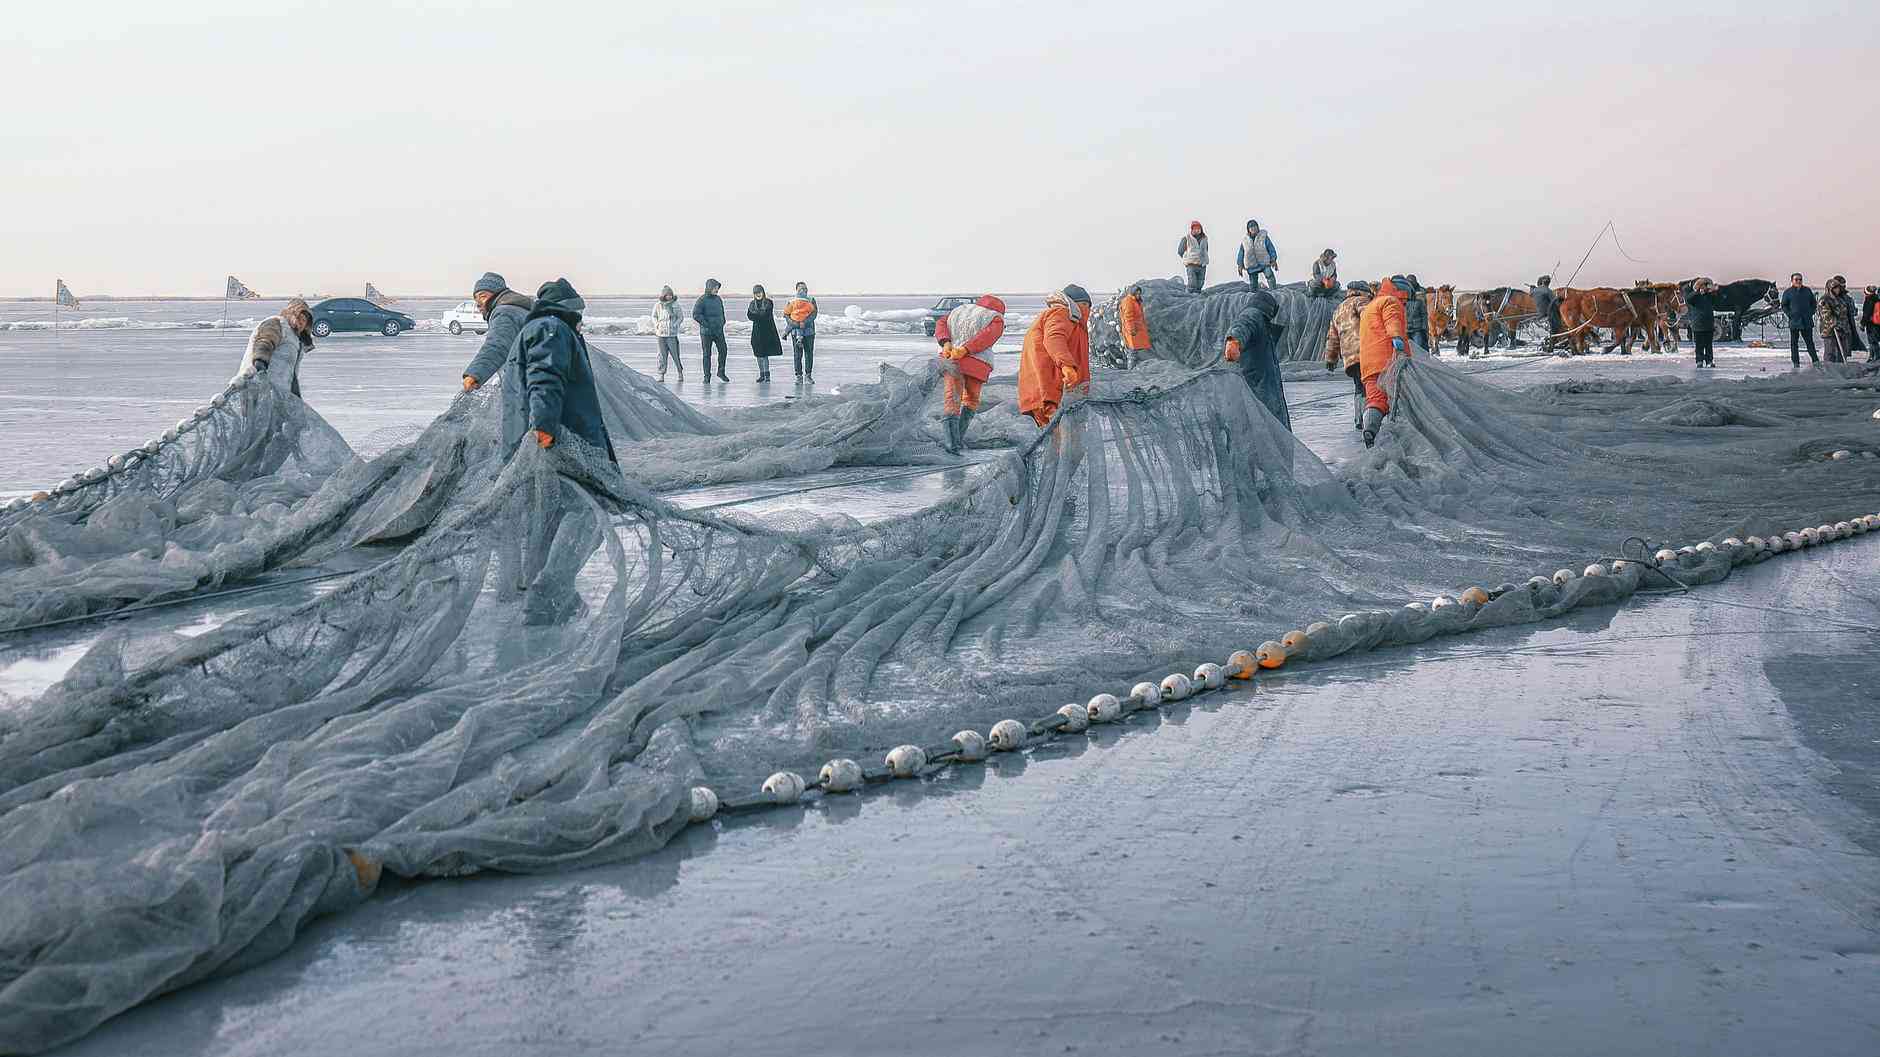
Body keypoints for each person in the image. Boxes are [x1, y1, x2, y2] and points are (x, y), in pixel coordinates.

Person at [513, 278, 616, 462]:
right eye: (577, 311)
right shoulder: (551, 329)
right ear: (565, 309)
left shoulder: (552, 329)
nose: (580, 317)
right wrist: (544, 426)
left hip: (566, 432)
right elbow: (544, 377)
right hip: (566, 435)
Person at [934, 294, 1006, 454]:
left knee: (951, 399)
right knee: (971, 400)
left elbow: (940, 324)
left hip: (950, 359)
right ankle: (956, 441)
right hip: (977, 363)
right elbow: (987, 336)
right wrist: (966, 349)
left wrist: (946, 343)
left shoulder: (958, 311)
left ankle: (952, 443)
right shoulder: (996, 318)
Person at [1017, 285, 1093, 427]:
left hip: (1047, 391)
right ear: (1073, 303)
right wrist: (1067, 366)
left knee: (1059, 436)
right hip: (1050, 390)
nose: (1088, 310)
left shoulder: (1069, 320)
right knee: (1060, 435)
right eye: (1084, 305)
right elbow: (1054, 338)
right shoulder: (1062, 313)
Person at [1356, 275, 1412, 448]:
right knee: (1400, 398)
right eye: (1405, 299)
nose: (1405, 304)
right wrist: (1397, 340)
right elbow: (1392, 321)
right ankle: (1401, 438)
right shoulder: (1390, 302)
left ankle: (1370, 430)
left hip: (1368, 363)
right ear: (1401, 293)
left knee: (1375, 400)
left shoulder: (1370, 305)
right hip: (1388, 361)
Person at [1223, 289, 1290, 431]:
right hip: (1258, 391)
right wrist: (1234, 341)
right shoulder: (1253, 314)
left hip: (1265, 390)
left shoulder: (1262, 324)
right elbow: (1241, 326)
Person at [1323, 281, 1375, 432]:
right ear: (1362, 291)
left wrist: (1331, 358)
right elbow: (1370, 318)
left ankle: (1359, 418)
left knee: (1358, 386)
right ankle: (1368, 420)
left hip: (1349, 358)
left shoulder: (1338, 309)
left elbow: (1332, 337)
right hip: (1366, 351)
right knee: (1370, 385)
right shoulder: (1361, 301)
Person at [241, 297, 315, 397]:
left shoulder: (296, 340)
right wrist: (260, 361)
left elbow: (291, 373)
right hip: (258, 387)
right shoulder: (277, 323)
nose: (301, 322)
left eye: (304, 320)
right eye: (298, 317)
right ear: (290, 315)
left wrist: (295, 394)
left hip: (279, 393)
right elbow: (265, 340)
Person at [692, 278, 729, 381]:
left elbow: (721, 312)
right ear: (709, 288)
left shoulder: (718, 299)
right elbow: (696, 314)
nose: (717, 290)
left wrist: (722, 321)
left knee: (723, 350)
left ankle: (721, 372)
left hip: (718, 331)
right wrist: (706, 324)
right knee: (707, 354)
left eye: (717, 288)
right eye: (715, 288)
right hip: (706, 332)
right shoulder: (702, 300)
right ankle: (707, 376)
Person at [1818, 275, 1858, 364]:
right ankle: (1829, 369)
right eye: (1835, 288)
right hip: (1830, 330)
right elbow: (1826, 315)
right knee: (1830, 352)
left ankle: (1841, 367)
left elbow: (1846, 312)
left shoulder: (1841, 299)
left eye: (1838, 288)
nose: (1837, 290)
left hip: (1843, 329)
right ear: (1830, 288)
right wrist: (1835, 323)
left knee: (1842, 352)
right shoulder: (1824, 300)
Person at [1781, 273, 1818, 367]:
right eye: (1796, 279)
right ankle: (1796, 363)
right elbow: (1784, 305)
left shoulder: (1807, 291)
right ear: (1792, 281)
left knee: (1809, 342)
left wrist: (1811, 312)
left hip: (1807, 321)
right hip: (1795, 322)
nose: (1798, 281)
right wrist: (1790, 314)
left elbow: (1814, 303)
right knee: (1794, 344)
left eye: (1800, 279)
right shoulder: (1788, 292)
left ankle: (1815, 361)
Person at [747, 285, 783, 381]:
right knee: (758, 354)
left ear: (763, 292)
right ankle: (762, 374)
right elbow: (749, 316)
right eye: (756, 293)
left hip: (767, 332)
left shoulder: (768, 302)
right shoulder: (752, 304)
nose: (758, 294)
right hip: (756, 332)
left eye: (759, 292)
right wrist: (757, 315)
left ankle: (767, 375)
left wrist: (756, 315)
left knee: (765, 354)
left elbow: (765, 315)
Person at [784, 281, 818, 382]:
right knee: (797, 354)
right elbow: (786, 314)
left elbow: (814, 314)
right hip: (795, 332)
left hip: (809, 332)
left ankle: (808, 375)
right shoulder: (792, 301)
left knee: (809, 353)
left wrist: (804, 322)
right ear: (796, 290)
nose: (802, 290)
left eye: (804, 288)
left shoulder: (811, 300)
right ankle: (798, 375)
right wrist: (795, 323)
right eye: (800, 288)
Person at [652, 285, 685, 382]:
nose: (669, 297)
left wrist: (675, 325)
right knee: (662, 355)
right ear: (664, 295)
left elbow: (680, 317)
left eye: (671, 295)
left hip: (671, 334)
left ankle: (680, 372)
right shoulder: (658, 305)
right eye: (667, 295)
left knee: (675, 354)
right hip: (660, 334)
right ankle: (661, 374)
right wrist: (657, 324)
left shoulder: (675, 305)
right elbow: (654, 316)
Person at [1685, 277, 1719, 368]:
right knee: (1699, 345)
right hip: (1698, 324)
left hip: (1709, 324)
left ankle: (1709, 361)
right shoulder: (1694, 296)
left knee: (1708, 345)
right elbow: (1689, 299)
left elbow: (1716, 301)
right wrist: (1698, 292)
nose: (1705, 287)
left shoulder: (1710, 296)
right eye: (1704, 285)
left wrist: (1714, 291)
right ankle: (1699, 361)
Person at [1236, 220, 1279, 290]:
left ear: (1258, 227)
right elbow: (1241, 253)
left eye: (1255, 226)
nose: (1253, 228)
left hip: (1264, 262)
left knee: (1269, 275)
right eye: (1251, 227)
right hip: (1251, 265)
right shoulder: (1245, 241)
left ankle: (1273, 290)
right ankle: (1253, 293)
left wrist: (1273, 259)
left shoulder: (1264, 237)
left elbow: (1270, 248)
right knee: (1253, 282)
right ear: (1248, 229)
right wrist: (1240, 265)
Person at [1118, 284, 1152, 367]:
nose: (1138, 295)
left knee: (1135, 352)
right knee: (1132, 352)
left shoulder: (1135, 301)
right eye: (1137, 293)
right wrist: (1131, 330)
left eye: (1139, 293)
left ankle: (1134, 369)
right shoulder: (1128, 301)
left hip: (1137, 330)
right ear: (1132, 292)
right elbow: (1128, 318)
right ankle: (1131, 371)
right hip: (1133, 332)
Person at [1530, 275, 1560, 354]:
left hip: (1538, 313)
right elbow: (1556, 303)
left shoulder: (1535, 290)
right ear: (1547, 283)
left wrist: (1532, 288)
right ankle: (1552, 345)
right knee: (1557, 324)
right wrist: (1559, 299)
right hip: (1547, 314)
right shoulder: (1548, 291)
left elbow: (1531, 294)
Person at [1177, 222, 1209, 293]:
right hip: (1191, 264)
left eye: (1198, 228)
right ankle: (1188, 295)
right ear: (1191, 230)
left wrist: (1205, 258)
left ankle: (1197, 296)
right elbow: (1180, 251)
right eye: (1195, 229)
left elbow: (1206, 249)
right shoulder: (1187, 238)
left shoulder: (1204, 238)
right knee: (1192, 282)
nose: (1197, 230)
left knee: (1200, 282)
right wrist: (1186, 257)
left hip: (1202, 264)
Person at [1402, 275, 1430, 351]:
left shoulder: (1420, 296)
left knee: (1418, 349)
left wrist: (1425, 329)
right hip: (1406, 329)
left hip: (1417, 329)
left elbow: (1424, 314)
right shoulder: (1402, 297)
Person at [1862, 285, 1880, 363]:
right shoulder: (1877, 299)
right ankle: (1874, 357)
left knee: (1872, 341)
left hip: (1871, 324)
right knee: (1874, 341)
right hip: (1877, 323)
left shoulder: (1869, 300)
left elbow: (1866, 313)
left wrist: (1862, 324)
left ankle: (1875, 357)